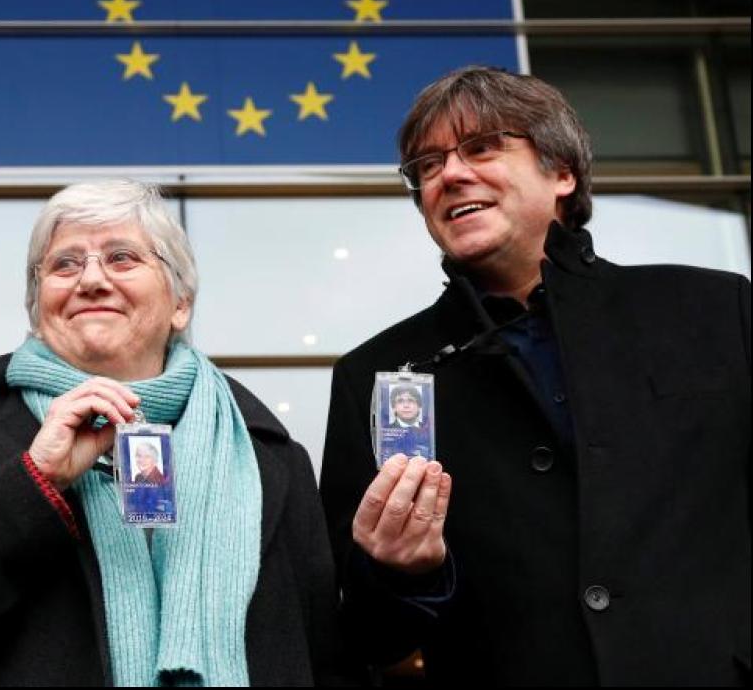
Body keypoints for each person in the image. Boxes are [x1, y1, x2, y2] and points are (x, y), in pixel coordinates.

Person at [320, 65, 751, 685]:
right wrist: (401, 572)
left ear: (562, 173)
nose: (450, 175)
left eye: (481, 148)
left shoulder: (715, 311)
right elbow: (368, 636)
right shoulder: (376, 375)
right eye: (428, 165)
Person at [0, 180, 344, 685]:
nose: (91, 280)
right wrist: (31, 482)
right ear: (37, 308)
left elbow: (326, 659)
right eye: (64, 264)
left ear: (181, 303)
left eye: (121, 258)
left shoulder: (268, 458)